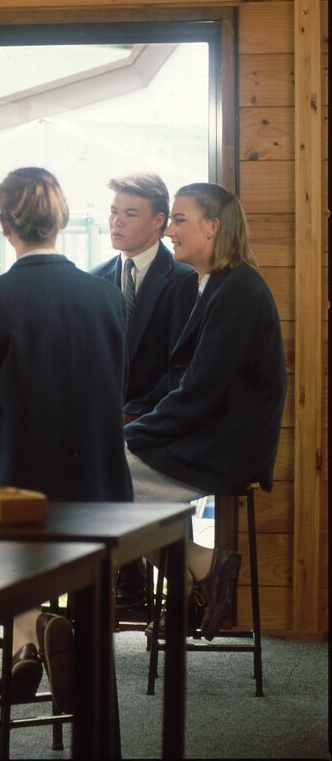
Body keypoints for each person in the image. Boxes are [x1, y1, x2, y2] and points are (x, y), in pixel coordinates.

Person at [0, 167, 132, 712]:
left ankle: (24, 634)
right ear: (63, 220)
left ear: (4, 225)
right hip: (100, 497)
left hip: (16, 493)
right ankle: (33, 635)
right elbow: (113, 396)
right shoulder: (108, 299)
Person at [125, 183, 286, 641]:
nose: (170, 230)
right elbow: (181, 384)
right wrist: (135, 420)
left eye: (179, 220)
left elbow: (199, 392)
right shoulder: (213, 283)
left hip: (226, 446)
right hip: (206, 434)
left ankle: (199, 569)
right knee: (107, 476)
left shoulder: (238, 290)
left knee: (103, 476)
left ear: (212, 228)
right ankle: (199, 576)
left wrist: (131, 437)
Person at [90, 173, 198, 608]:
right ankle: (126, 577)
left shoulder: (184, 279)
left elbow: (181, 369)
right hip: (109, 421)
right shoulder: (95, 279)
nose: (117, 221)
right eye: (114, 211)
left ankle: (163, 585)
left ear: (158, 222)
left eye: (129, 213)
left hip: (160, 420)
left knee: (115, 463)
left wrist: (135, 413)